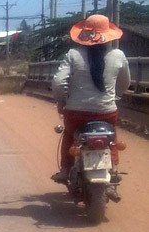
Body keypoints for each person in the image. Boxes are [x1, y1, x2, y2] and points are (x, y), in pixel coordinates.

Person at [51, 14, 131, 184]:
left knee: (70, 136)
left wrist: (61, 100)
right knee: (111, 136)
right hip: (107, 112)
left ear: (84, 35)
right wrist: (114, 97)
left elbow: (58, 82)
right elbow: (125, 82)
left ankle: (66, 170)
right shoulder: (118, 55)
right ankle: (114, 168)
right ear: (107, 35)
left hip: (76, 113)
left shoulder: (73, 54)